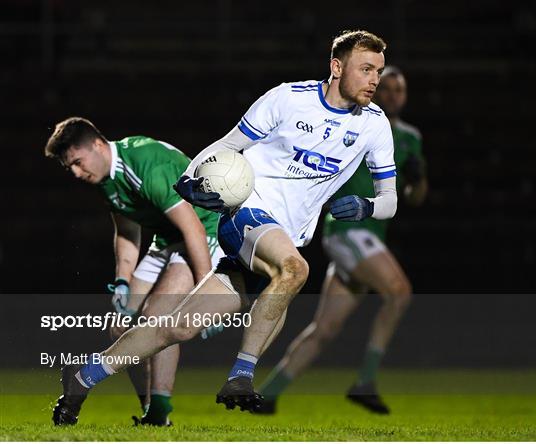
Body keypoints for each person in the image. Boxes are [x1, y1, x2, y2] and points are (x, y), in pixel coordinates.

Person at [52, 29, 398, 425]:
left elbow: (390, 200)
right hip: (247, 214)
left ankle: (83, 376)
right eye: (366, 69)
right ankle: (241, 375)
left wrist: (368, 205)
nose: (375, 79)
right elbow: (226, 144)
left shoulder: (374, 125)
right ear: (336, 67)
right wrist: (191, 178)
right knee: (294, 270)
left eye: (379, 71)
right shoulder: (288, 99)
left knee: (177, 327)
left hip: (285, 236)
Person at [256, 66, 428, 415]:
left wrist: (417, 178)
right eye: (388, 87)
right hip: (347, 229)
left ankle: (269, 394)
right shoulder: (358, 122)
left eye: (401, 89)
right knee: (399, 292)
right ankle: (365, 382)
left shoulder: (410, 137)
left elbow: (414, 197)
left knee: (325, 329)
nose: (394, 94)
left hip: (369, 236)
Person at [45, 117, 223, 425]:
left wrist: (207, 292)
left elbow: (192, 228)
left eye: (76, 162)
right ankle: (149, 406)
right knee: (119, 327)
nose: (75, 172)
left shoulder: (145, 164)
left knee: (157, 318)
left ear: (98, 145)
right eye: (68, 167)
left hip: (204, 230)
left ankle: (158, 414)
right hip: (167, 238)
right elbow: (127, 232)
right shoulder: (105, 177)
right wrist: (123, 282)